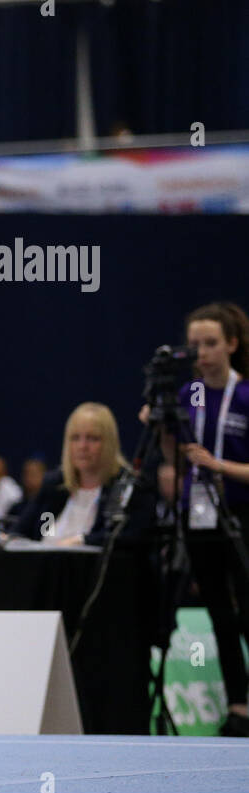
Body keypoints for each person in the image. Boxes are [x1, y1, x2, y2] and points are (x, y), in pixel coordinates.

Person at [152, 302, 249, 736]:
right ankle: (238, 704)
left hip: (241, 513)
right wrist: (160, 426)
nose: (202, 352)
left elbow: (214, 460)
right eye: (194, 345)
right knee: (219, 614)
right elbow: (173, 452)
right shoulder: (187, 394)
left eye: (210, 343)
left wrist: (217, 466)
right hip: (198, 515)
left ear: (231, 343)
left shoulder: (245, 395)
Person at [13, 403, 153, 547]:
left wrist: (82, 541)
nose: (82, 446)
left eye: (93, 438)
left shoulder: (127, 486)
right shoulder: (55, 486)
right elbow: (25, 532)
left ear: (109, 443)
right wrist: (4, 539)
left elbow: (127, 538)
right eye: (75, 438)